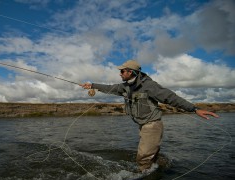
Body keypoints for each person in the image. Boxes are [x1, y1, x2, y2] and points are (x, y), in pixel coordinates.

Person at [80, 60, 218, 172]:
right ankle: (158, 166)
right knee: (150, 155)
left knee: (143, 158)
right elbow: (109, 88)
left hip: (152, 125)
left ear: (131, 72)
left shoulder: (150, 86)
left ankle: (145, 179)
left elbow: (171, 98)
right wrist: (92, 85)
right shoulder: (125, 87)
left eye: (122, 71)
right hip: (142, 125)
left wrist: (194, 109)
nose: (120, 74)